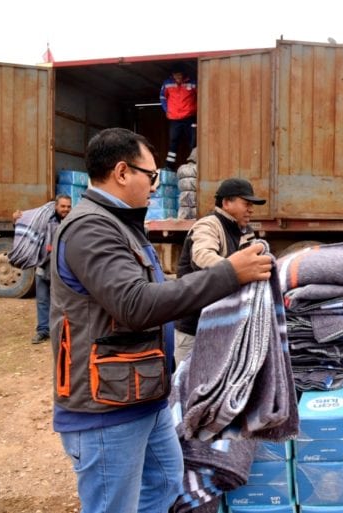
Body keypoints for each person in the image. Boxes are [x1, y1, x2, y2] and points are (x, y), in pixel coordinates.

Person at [48, 127, 272, 513]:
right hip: (106, 408)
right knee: (113, 505)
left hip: (143, 396)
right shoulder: (91, 228)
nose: (155, 187)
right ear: (122, 172)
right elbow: (135, 304)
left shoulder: (120, 226)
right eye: (150, 176)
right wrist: (228, 274)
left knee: (165, 484)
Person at [174, 177, 266, 363]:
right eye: (246, 203)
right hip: (194, 327)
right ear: (226, 203)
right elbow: (201, 256)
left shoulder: (244, 231)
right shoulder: (208, 225)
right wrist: (237, 270)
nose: (251, 209)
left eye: (252, 204)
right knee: (188, 385)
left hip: (221, 327)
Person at [12, 194, 72, 344]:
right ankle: (43, 331)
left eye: (68, 206)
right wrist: (17, 220)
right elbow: (27, 227)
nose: (65, 209)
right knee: (42, 301)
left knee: (61, 303)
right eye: (63, 206)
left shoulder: (72, 223)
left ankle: (60, 331)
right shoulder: (44, 221)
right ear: (56, 206)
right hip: (43, 267)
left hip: (61, 271)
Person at [160, 63, 197, 169]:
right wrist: (167, 110)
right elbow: (162, 98)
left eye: (180, 75)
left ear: (183, 74)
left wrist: (195, 110)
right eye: (176, 76)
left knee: (193, 141)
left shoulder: (193, 82)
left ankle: (193, 164)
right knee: (173, 141)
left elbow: (200, 96)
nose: (178, 78)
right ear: (172, 75)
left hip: (190, 117)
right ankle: (169, 166)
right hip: (174, 119)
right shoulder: (167, 84)